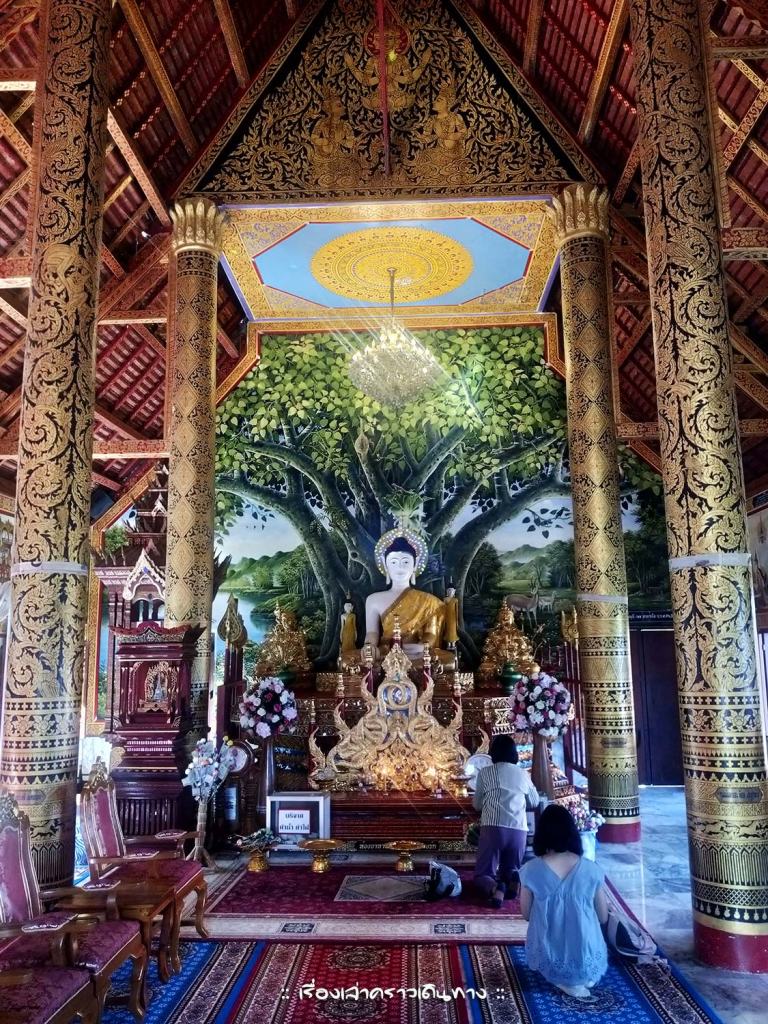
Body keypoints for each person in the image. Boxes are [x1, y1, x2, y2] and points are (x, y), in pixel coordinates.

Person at [519, 803, 609, 999]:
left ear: (542, 835)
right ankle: (581, 977)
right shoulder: (591, 870)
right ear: (572, 833)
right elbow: (603, 917)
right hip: (587, 953)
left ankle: (566, 979)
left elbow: (526, 915)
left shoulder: (530, 870)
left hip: (550, 954)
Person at [472, 734, 539, 908]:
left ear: (492, 752)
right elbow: (534, 801)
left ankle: (495, 887)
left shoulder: (485, 773)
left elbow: (477, 805)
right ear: (514, 753)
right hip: (518, 830)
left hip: (493, 828)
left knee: (483, 874)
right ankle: (512, 877)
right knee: (510, 868)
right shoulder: (523, 773)